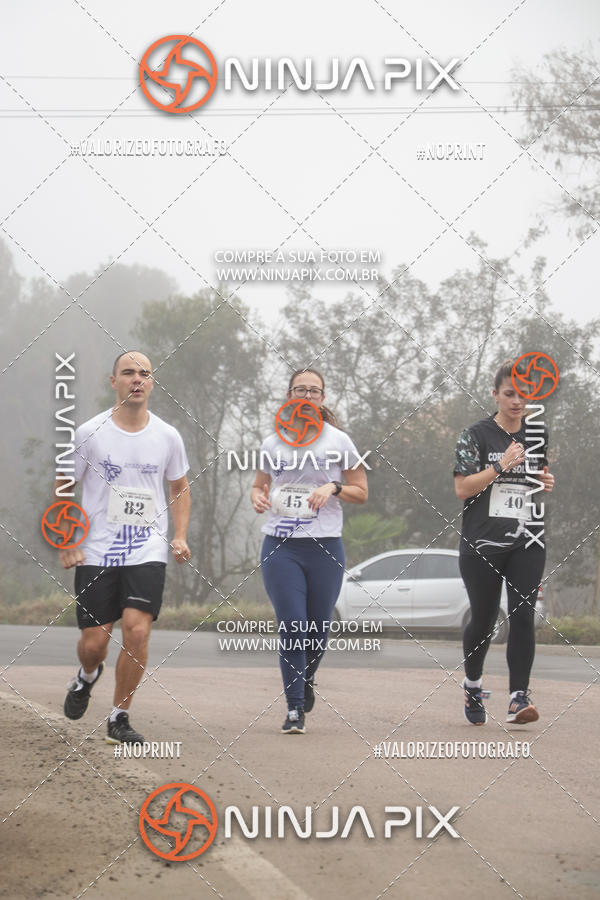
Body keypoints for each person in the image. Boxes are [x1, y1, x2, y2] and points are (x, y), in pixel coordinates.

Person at [56, 350, 191, 745]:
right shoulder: (87, 433)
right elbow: (65, 487)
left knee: (136, 632)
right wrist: (66, 539)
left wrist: (179, 535)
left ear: (152, 383)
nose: (137, 379)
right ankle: (86, 677)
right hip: (97, 549)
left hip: (147, 548)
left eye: (144, 373)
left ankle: (119, 716)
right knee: (94, 642)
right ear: (112, 381)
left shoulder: (167, 436)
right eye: (128, 372)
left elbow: (179, 488)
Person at [251, 368, 368, 734]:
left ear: (323, 399)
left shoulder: (339, 441)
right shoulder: (273, 443)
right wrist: (257, 496)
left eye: (313, 391)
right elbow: (259, 486)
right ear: (288, 396)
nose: (306, 396)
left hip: (325, 548)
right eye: (299, 390)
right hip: (281, 546)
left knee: (317, 630)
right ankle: (294, 708)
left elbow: (361, 491)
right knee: (293, 625)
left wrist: (334, 488)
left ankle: (305, 679)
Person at [453, 358, 555, 726]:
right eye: (509, 393)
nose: (517, 400)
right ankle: (473, 684)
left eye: (524, 393)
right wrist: (500, 466)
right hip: (482, 543)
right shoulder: (476, 435)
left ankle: (518, 698)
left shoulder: (537, 435)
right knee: (482, 619)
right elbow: (463, 489)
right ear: (495, 394)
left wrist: (542, 483)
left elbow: (531, 486)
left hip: (528, 538)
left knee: (522, 614)